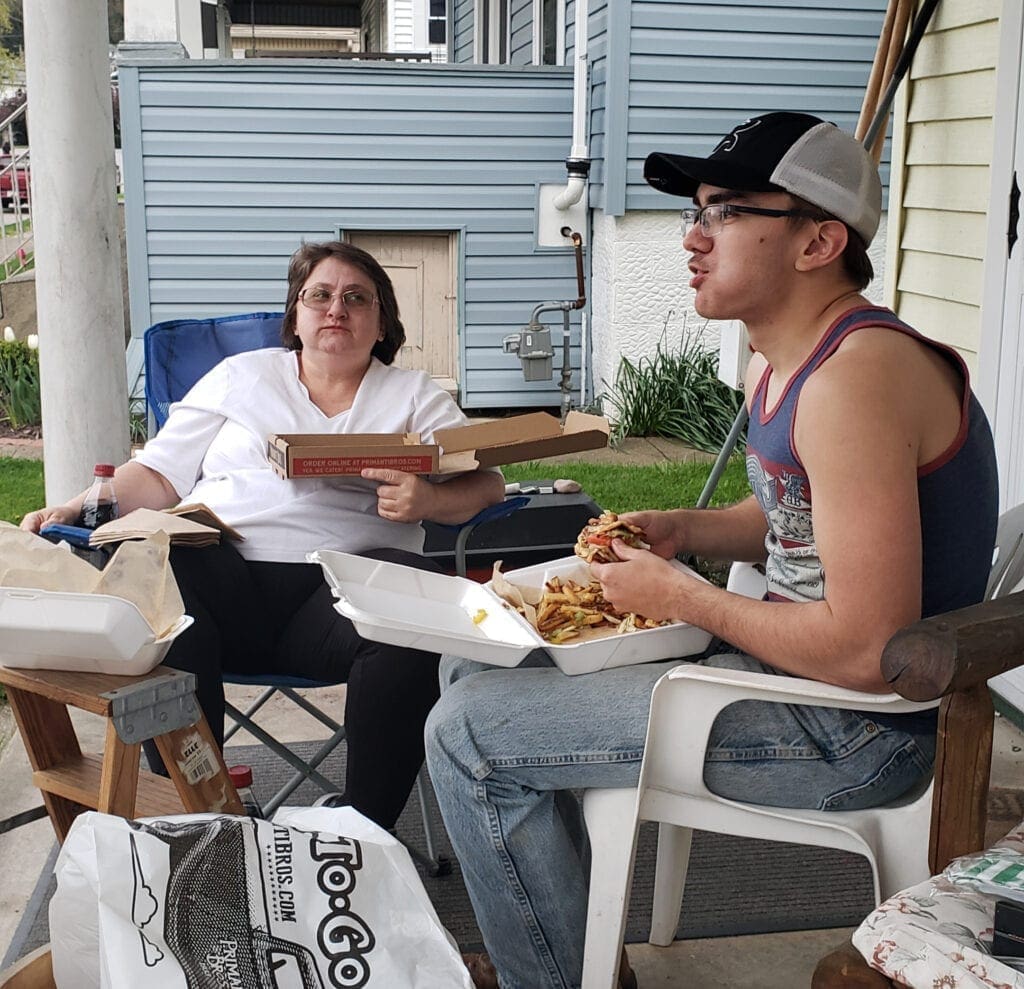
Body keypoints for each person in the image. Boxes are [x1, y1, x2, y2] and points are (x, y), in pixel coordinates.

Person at [425, 111, 1000, 989]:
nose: (694, 237)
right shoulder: (788, 359)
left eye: (726, 211)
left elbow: (866, 647)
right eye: (697, 210)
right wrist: (689, 530)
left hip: (854, 729)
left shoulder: (853, 378)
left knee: (467, 735)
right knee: (471, 673)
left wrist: (685, 596)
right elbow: (793, 518)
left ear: (818, 241)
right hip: (795, 679)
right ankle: (572, 954)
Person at [22, 240, 505, 830]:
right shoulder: (240, 377)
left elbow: (486, 486)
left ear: (382, 324)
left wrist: (428, 499)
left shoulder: (413, 396)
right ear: (295, 315)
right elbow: (158, 474)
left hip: (342, 594)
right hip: (222, 581)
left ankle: (361, 829)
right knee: (156, 570)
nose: (337, 310)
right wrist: (73, 505)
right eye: (320, 295)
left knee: (417, 607)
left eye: (357, 298)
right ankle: (202, 812)